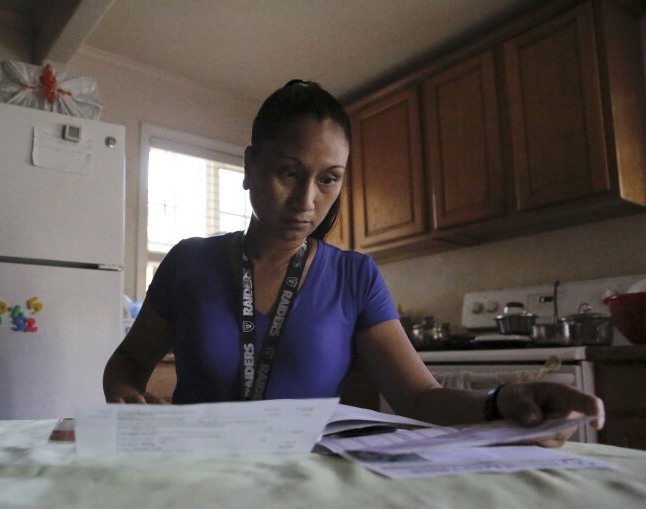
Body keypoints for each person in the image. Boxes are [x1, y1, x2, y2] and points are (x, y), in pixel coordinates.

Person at [103, 80, 603, 446]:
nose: (306, 201)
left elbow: (419, 399)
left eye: (329, 179)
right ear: (250, 166)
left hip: (308, 488)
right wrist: (125, 393)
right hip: (195, 476)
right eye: (288, 172)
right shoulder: (190, 262)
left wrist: (500, 401)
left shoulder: (356, 277)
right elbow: (127, 363)